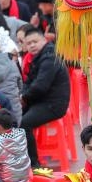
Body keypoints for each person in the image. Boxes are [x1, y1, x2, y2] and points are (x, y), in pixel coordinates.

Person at [18, 24, 70, 168]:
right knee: (14, 116)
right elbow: (29, 82)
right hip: (42, 100)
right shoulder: (37, 57)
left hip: (54, 104)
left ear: (44, 41)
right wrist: (23, 96)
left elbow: (40, 86)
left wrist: (24, 98)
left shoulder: (49, 57)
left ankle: (34, 164)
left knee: (23, 124)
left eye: (35, 42)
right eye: (29, 43)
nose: (32, 45)